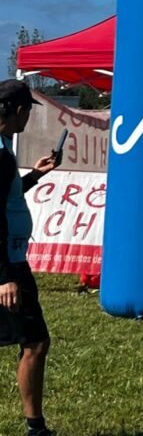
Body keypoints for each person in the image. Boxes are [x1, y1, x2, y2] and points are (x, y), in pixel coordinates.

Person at [0, 80, 58, 436]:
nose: (27, 121)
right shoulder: (1, 154)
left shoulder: (4, 148)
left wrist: (35, 175)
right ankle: (36, 428)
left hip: (7, 261)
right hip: (8, 264)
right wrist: (5, 276)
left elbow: (6, 195)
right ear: (19, 111)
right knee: (35, 343)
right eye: (28, 114)